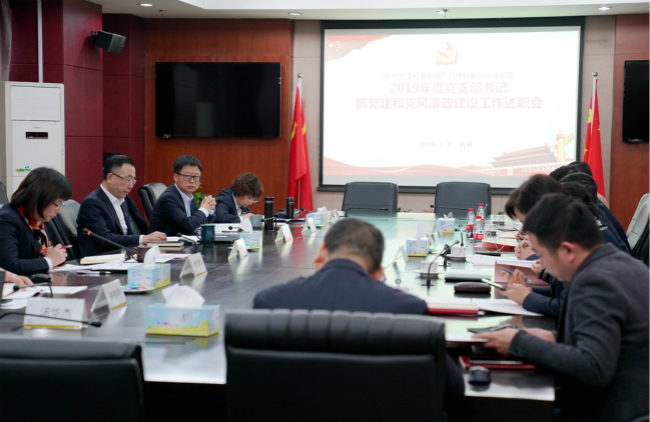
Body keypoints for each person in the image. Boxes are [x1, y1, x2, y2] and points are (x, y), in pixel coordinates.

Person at [254, 218, 464, 409]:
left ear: (322, 251)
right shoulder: (407, 309)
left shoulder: (270, 301)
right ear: (379, 273)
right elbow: (452, 391)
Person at [474, 194, 649, 422]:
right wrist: (553, 338)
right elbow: (609, 342)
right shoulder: (615, 264)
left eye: (541, 255)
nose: (540, 264)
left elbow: (594, 367)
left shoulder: (595, 281)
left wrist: (519, 342)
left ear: (567, 250)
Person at [77, 155, 166, 257]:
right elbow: (104, 239)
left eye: (133, 181)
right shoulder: (92, 203)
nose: (131, 186)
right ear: (110, 177)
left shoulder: (124, 201)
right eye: (127, 180)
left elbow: (127, 234)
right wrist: (143, 239)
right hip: (101, 261)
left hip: (124, 257)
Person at [0, 167, 70, 275]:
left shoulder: (41, 218)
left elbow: (45, 255)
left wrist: (56, 256)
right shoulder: (6, 220)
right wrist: (49, 261)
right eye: (57, 204)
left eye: (61, 205)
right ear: (39, 198)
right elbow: (10, 266)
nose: (58, 210)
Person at [148, 155, 217, 235]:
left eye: (196, 177)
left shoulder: (188, 197)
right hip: (165, 242)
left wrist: (210, 208)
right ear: (176, 177)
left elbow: (198, 223)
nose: (192, 181)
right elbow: (188, 226)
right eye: (187, 176)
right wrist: (204, 209)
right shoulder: (168, 198)